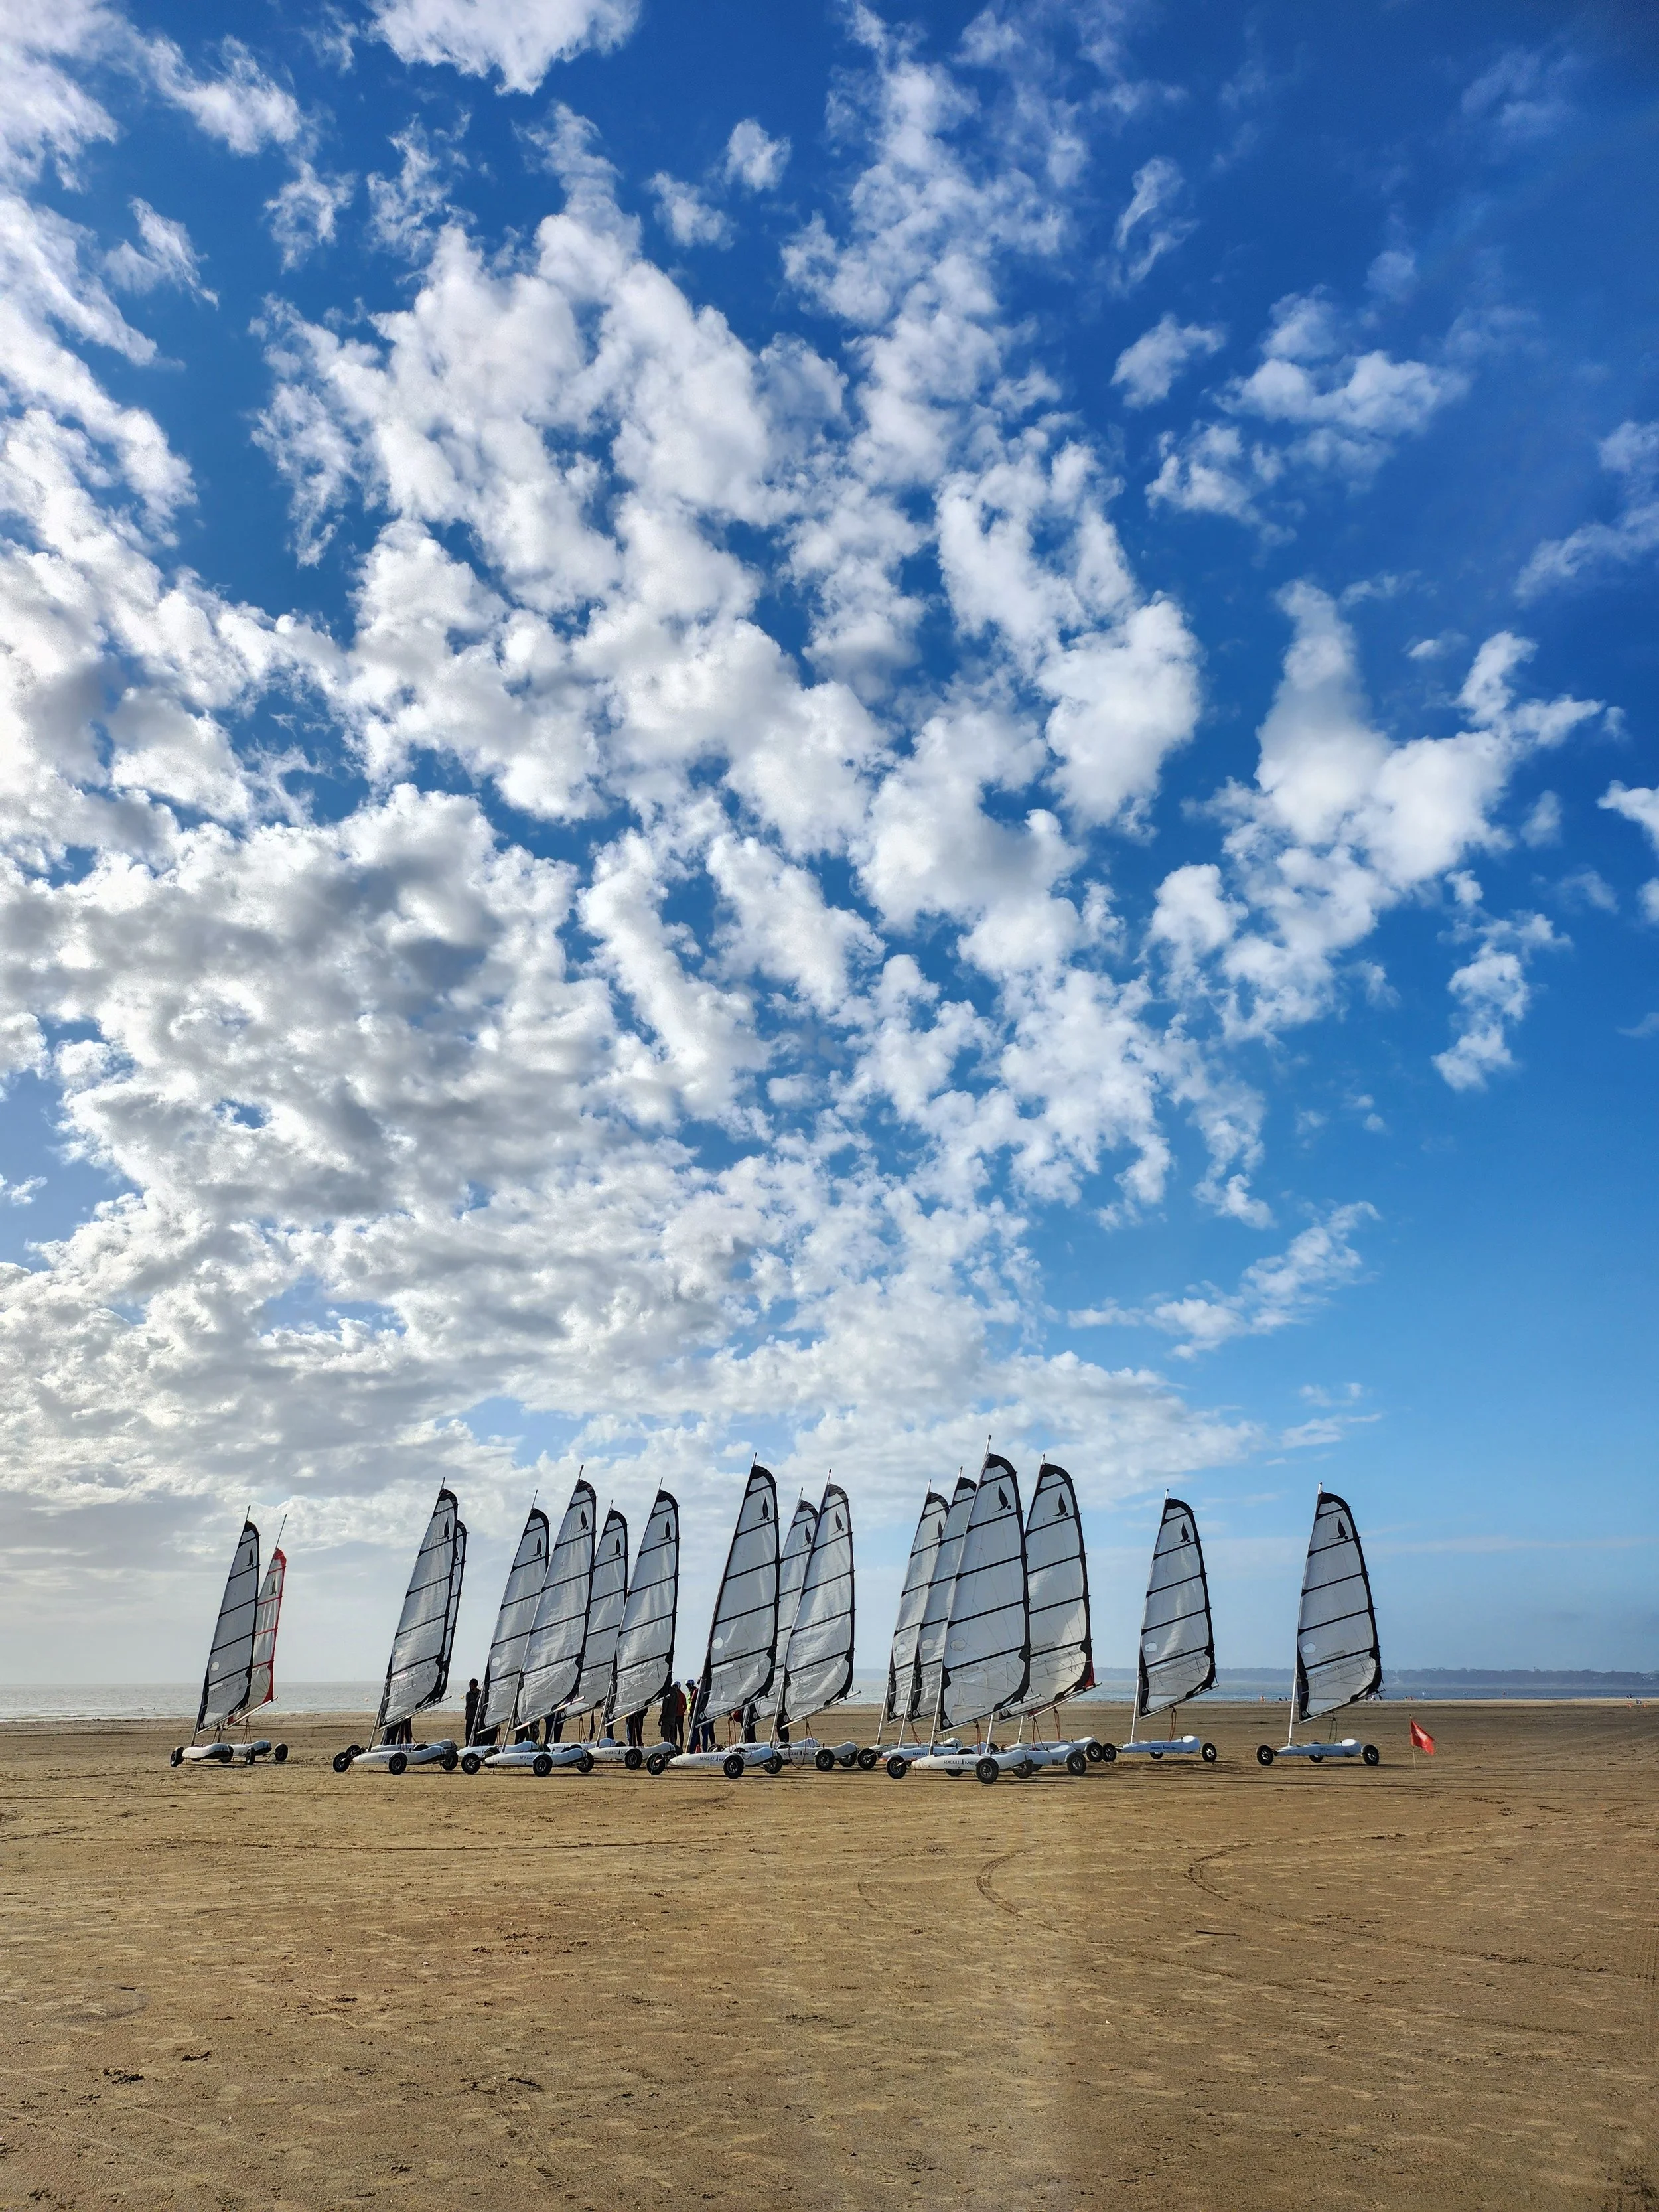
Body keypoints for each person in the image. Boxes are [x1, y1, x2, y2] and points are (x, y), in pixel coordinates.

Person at [464, 1678, 482, 1743]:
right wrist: (475, 1702)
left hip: (477, 1716)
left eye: (471, 1685)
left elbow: (480, 1703)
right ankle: (467, 1744)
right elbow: (470, 1704)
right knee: (468, 1733)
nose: (470, 1686)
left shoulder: (480, 1693)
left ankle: (475, 1744)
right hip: (469, 1716)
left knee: (476, 1733)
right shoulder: (468, 1694)